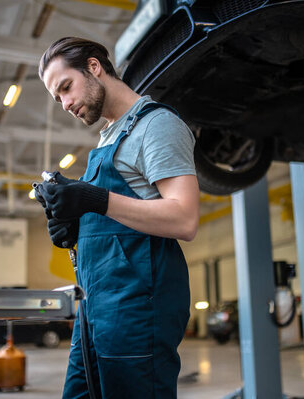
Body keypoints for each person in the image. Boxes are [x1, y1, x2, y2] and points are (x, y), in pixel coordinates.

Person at [36, 37, 199, 399]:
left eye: (66, 87)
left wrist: (93, 198)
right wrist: (74, 225)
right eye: (57, 98)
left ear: (94, 67)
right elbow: (117, 218)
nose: (65, 104)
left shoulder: (156, 125)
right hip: (95, 306)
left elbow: (184, 218)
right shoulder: (109, 138)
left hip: (136, 310)